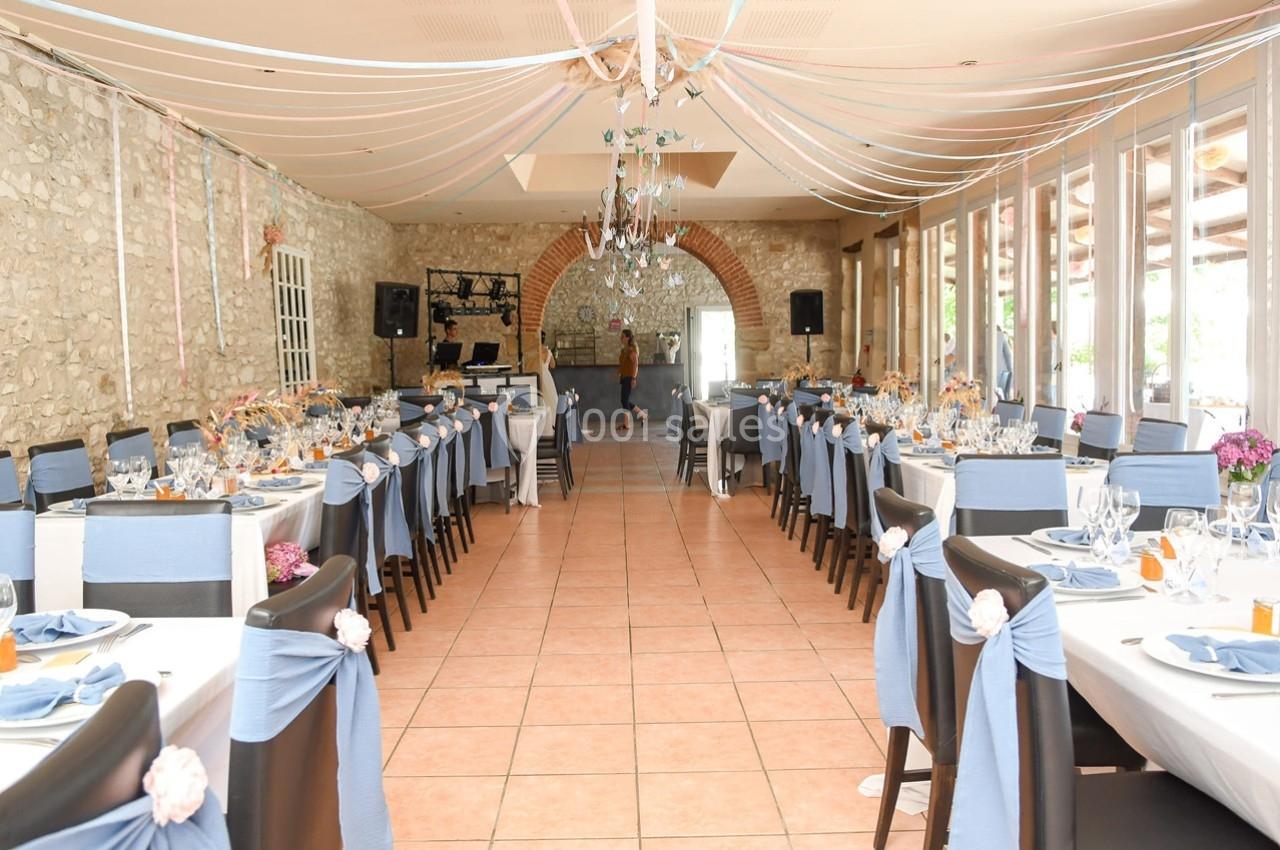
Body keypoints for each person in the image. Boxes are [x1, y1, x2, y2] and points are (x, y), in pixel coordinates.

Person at [618, 329, 646, 430]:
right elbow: (623, 364)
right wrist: (619, 373)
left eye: (623, 336)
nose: (621, 338)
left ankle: (626, 423)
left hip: (629, 377)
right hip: (624, 377)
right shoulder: (624, 350)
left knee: (624, 400)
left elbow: (635, 365)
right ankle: (642, 415)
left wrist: (634, 378)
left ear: (628, 338)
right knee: (624, 400)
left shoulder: (631, 350)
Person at [538, 330, 557, 438]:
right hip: (548, 377)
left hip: (539, 376)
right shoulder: (548, 351)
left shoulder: (535, 351)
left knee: (542, 401)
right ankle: (553, 424)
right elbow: (553, 365)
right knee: (552, 400)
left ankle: (544, 427)